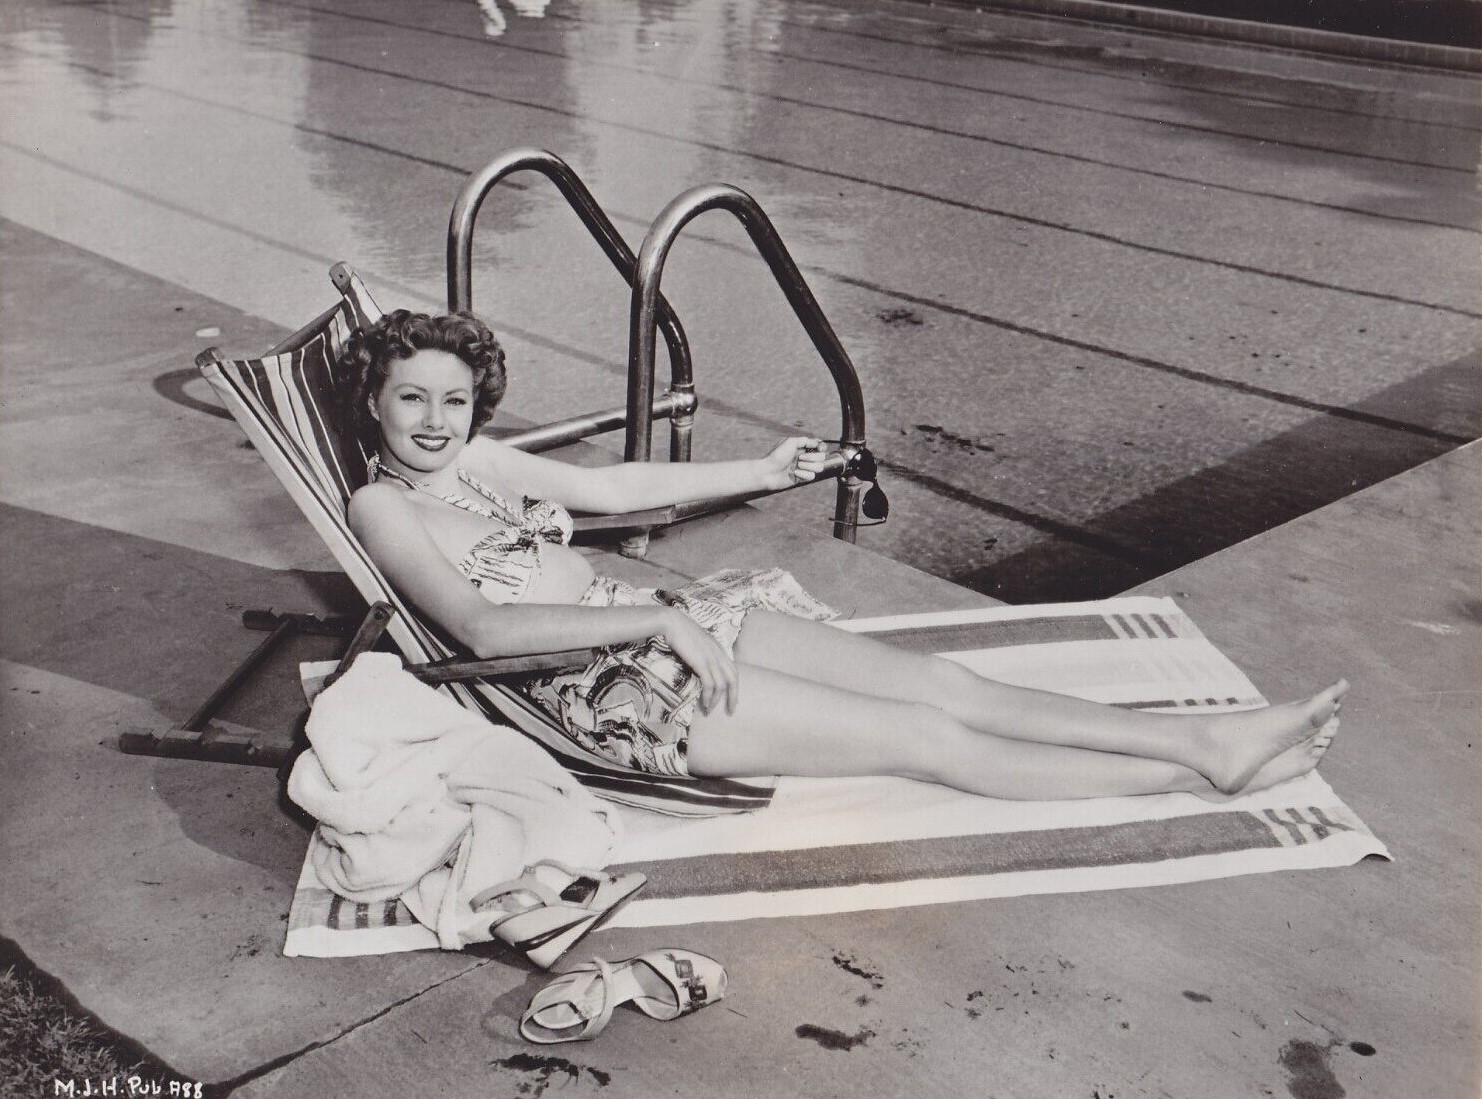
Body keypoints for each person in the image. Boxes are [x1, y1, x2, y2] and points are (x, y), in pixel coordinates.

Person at [342, 310, 1346, 806]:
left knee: (943, 683)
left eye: (454, 399)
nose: (435, 419)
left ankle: (1204, 736)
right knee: (920, 734)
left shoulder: (470, 461)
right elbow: (483, 628)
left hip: (653, 625)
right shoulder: (383, 505)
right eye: (412, 398)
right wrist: (656, 620)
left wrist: (764, 470)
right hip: (600, 692)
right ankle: (1192, 769)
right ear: (374, 403)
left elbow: (612, 489)